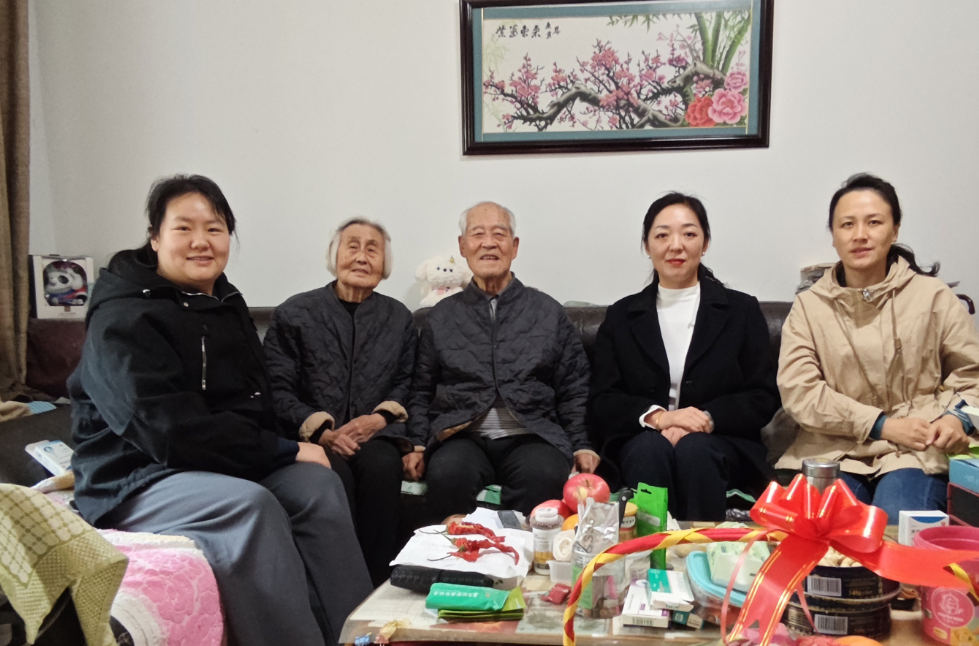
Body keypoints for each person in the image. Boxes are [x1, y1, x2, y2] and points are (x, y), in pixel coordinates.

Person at [68, 175, 371, 646]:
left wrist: (295, 446)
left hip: (215, 464)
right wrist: (285, 450)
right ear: (155, 237)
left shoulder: (224, 302)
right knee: (250, 506)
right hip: (138, 475)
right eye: (183, 228)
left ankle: (362, 635)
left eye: (214, 228)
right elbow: (167, 431)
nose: (200, 242)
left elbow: (258, 400)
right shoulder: (122, 318)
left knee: (317, 486)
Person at [777, 173, 979, 521]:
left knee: (898, 518)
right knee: (829, 525)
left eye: (874, 222)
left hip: (917, 448)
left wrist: (955, 419)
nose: (860, 235)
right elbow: (801, 392)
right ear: (834, 236)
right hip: (834, 448)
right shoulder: (809, 306)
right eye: (847, 225)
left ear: (895, 230)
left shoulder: (932, 296)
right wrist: (881, 425)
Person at [589, 192, 780, 521]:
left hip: (722, 442)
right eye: (662, 235)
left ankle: (700, 546)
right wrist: (660, 418)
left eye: (689, 234)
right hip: (643, 440)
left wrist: (705, 418)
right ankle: (652, 546)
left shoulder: (741, 310)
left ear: (705, 244)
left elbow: (762, 395)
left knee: (696, 450)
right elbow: (603, 399)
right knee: (649, 449)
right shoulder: (622, 316)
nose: (675, 245)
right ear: (647, 246)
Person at [408, 201, 599, 521]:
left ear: (514, 246)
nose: (488, 243)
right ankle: (456, 553)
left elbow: (574, 385)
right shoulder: (440, 316)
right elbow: (420, 388)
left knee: (543, 477)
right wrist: (416, 443)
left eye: (499, 234)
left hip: (533, 434)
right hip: (461, 435)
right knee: (448, 474)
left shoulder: (547, 311)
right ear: (463, 246)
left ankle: (523, 551)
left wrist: (581, 444)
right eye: (477, 234)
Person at [264, 217, 416, 586]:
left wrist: (380, 419)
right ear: (334, 255)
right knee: (334, 473)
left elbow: (408, 381)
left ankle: (379, 583)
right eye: (353, 246)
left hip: (376, 436)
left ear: (384, 264)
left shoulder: (398, 318)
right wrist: (321, 430)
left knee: (382, 467)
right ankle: (337, 584)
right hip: (313, 438)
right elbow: (276, 387)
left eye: (372, 249)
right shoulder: (295, 313)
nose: (362, 257)